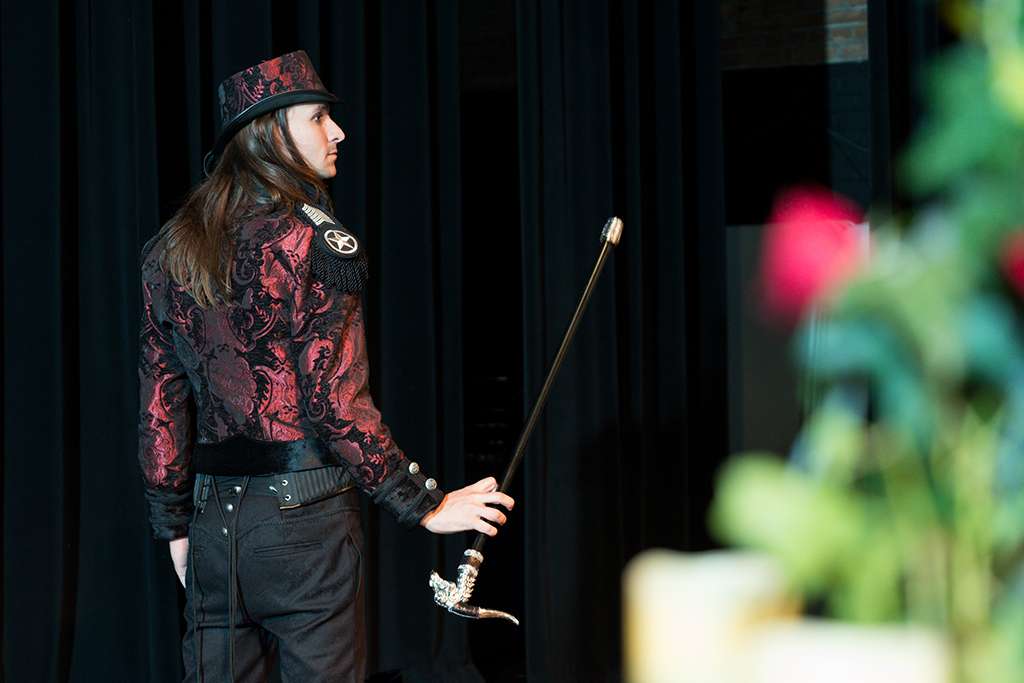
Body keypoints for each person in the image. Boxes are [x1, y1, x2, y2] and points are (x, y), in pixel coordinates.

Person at [137, 50, 514, 683]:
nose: (337, 131)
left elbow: (159, 405)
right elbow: (335, 404)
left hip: (210, 528)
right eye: (317, 117)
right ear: (271, 133)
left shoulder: (167, 250)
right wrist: (424, 504)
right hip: (304, 529)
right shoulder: (317, 242)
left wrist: (174, 524)